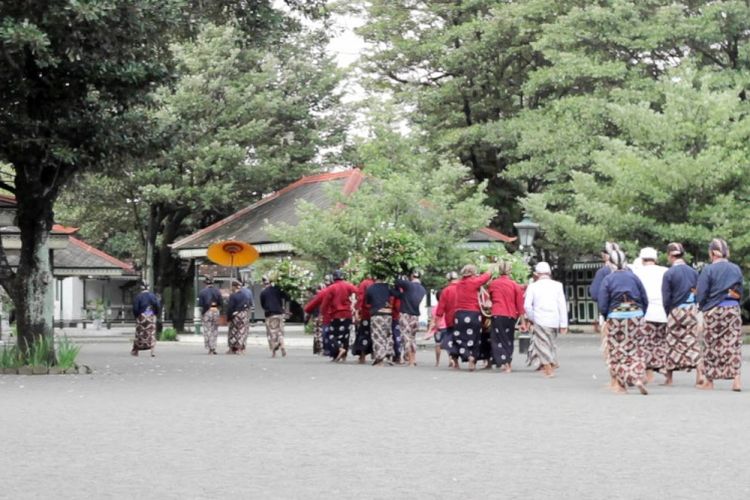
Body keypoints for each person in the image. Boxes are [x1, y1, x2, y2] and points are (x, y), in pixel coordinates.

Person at [598, 250, 649, 394]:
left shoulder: (608, 279)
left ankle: (622, 385)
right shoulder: (634, 277)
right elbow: (645, 299)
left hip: (616, 315)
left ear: (611, 263)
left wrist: (606, 316)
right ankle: (638, 377)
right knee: (637, 349)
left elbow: (602, 303)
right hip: (636, 314)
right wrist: (641, 314)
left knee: (617, 350)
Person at [696, 238, 743, 392]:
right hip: (732, 308)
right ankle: (736, 380)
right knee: (733, 344)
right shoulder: (735, 268)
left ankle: (710, 381)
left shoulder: (708, 270)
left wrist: (702, 307)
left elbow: (702, 293)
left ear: (712, 253)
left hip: (714, 310)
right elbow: (739, 292)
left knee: (711, 344)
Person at [661, 242, 702, 386]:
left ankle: (669, 378)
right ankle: (699, 373)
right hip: (691, 309)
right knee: (692, 341)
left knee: (672, 342)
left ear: (670, 255)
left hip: (676, 310)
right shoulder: (693, 272)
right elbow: (698, 292)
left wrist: (668, 313)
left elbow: (666, 297)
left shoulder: (669, 273)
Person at [523, 262, 567, 378]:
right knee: (551, 343)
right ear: (549, 273)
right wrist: (563, 324)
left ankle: (548, 368)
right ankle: (551, 363)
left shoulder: (533, 286)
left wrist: (532, 318)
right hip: (554, 319)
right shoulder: (558, 285)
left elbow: (527, 306)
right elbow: (562, 305)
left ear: (536, 274)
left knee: (542, 344)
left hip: (540, 318)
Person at [632, 247, 668, 382]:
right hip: (663, 311)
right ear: (656, 259)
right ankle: (663, 367)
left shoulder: (637, 272)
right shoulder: (665, 271)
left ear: (641, 259)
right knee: (661, 342)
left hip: (645, 312)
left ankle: (648, 374)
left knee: (645, 343)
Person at [452, 264, 492, 371]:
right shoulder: (474, 282)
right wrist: (489, 270)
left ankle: (467, 355)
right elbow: (486, 277)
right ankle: (473, 359)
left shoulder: (459, 284)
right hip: (473, 314)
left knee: (459, 339)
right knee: (475, 338)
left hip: (459, 315)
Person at [487, 261, 525, 373]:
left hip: (497, 314)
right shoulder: (514, 285)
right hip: (510, 315)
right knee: (508, 339)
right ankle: (508, 362)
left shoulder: (493, 284)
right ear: (510, 272)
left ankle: (503, 361)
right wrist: (523, 322)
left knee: (497, 339)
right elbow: (520, 305)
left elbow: (490, 298)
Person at [323, 269, 358, 362]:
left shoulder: (331, 288)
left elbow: (325, 302)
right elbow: (357, 291)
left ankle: (339, 349)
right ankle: (344, 356)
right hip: (347, 314)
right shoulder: (348, 285)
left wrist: (323, 313)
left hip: (336, 315)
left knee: (332, 335)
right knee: (345, 335)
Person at [394, 271, 427, 367]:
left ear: (411, 277)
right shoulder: (422, 289)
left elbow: (397, 281)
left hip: (405, 314)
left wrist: (400, 273)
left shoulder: (408, 285)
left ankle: (410, 360)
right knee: (413, 338)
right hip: (415, 316)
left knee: (406, 337)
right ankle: (414, 358)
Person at [366, 276, 396, 366]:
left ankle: (380, 358)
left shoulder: (370, 288)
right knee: (388, 334)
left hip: (377, 314)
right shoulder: (388, 287)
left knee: (377, 336)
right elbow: (397, 294)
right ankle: (389, 355)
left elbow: (368, 302)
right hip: (388, 314)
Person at [260, 276, 289, 358]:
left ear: (264, 283)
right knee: (280, 332)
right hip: (279, 314)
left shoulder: (263, 292)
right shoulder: (277, 289)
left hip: (270, 314)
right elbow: (287, 297)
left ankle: (274, 351)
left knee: (272, 333)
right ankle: (282, 346)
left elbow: (262, 304)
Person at [435, 271, 460, 368]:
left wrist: (437, 321)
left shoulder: (446, 290)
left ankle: (455, 362)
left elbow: (440, 308)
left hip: (450, 320)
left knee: (451, 341)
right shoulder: (463, 288)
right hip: (463, 319)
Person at [132, 281, 160, 357]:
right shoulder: (152, 296)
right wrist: (155, 313)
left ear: (141, 288)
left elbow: (135, 308)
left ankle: (136, 350)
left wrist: (136, 316)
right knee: (151, 333)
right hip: (151, 315)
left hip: (141, 316)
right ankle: (152, 351)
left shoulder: (138, 297)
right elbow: (157, 305)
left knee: (139, 333)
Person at [352, 276, 375, 364]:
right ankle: (376, 354)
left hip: (366, 313)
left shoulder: (364, 283)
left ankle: (362, 356)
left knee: (364, 334)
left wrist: (357, 311)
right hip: (377, 312)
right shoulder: (378, 283)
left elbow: (361, 298)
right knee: (376, 334)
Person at [198, 277, 223, 355]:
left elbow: (201, 305)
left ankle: (210, 348)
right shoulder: (217, 291)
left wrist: (202, 313)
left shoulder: (202, 292)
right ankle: (214, 347)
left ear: (205, 283)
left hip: (207, 311)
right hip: (215, 310)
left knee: (207, 330)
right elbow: (221, 303)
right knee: (215, 330)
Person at [226, 279, 251, 354]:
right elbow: (248, 304)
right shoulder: (245, 295)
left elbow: (230, 308)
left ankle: (232, 348)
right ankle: (241, 348)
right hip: (244, 315)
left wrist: (229, 318)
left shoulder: (233, 296)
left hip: (235, 315)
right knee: (242, 331)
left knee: (233, 332)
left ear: (234, 287)